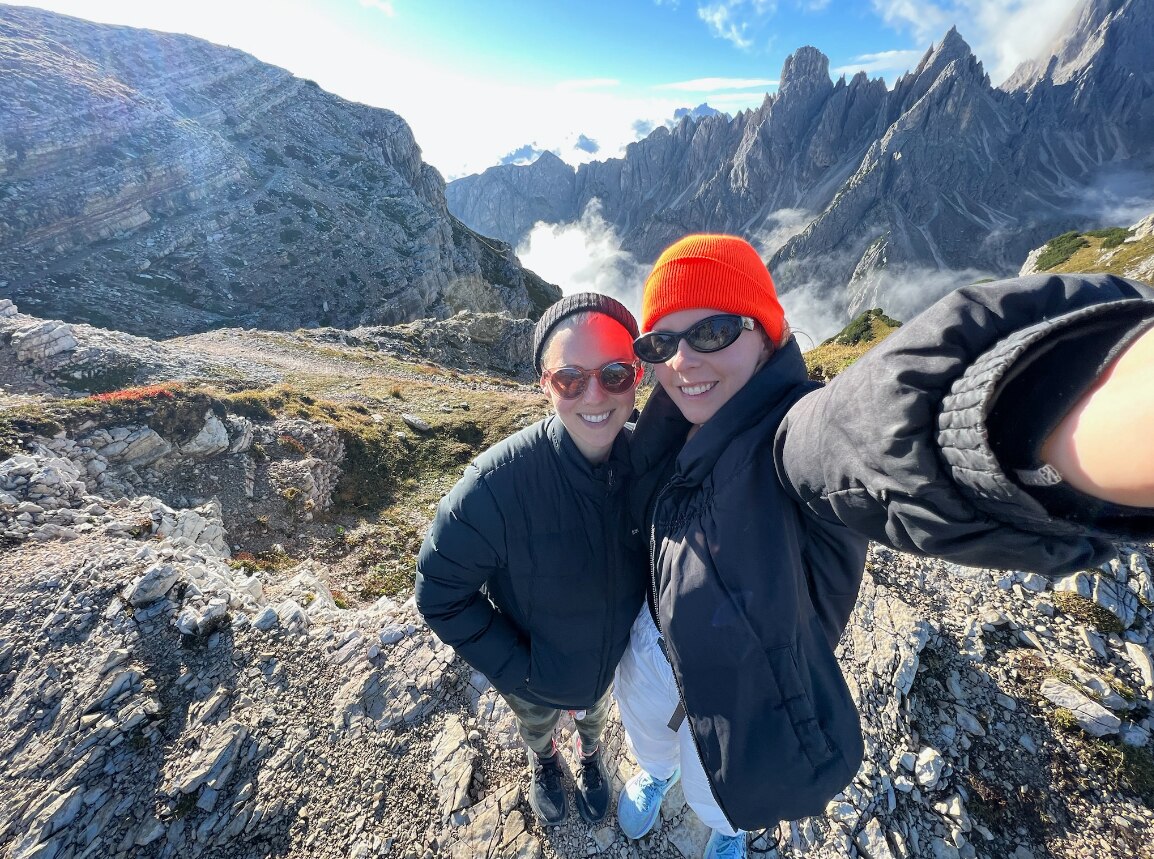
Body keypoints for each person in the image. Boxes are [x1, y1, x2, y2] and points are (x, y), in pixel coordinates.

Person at [612, 233, 1154, 859]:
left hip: (754, 683)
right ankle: (657, 771)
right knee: (647, 728)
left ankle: (729, 829)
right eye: (660, 343)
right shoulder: (659, 430)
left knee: (720, 788)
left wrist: (1028, 414)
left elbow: (869, 430)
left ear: (764, 334)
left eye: (711, 333)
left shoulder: (793, 434)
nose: (681, 362)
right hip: (654, 642)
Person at [415, 293, 648, 826]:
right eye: (570, 378)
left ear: (638, 376)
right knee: (537, 723)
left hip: (605, 666)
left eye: (614, 374)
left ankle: (591, 757)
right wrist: (521, 671)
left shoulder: (649, 464)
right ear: (545, 383)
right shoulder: (496, 486)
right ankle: (544, 759)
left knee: (594, 717)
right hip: (533, 675)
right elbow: (439, 593)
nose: (594, 394)